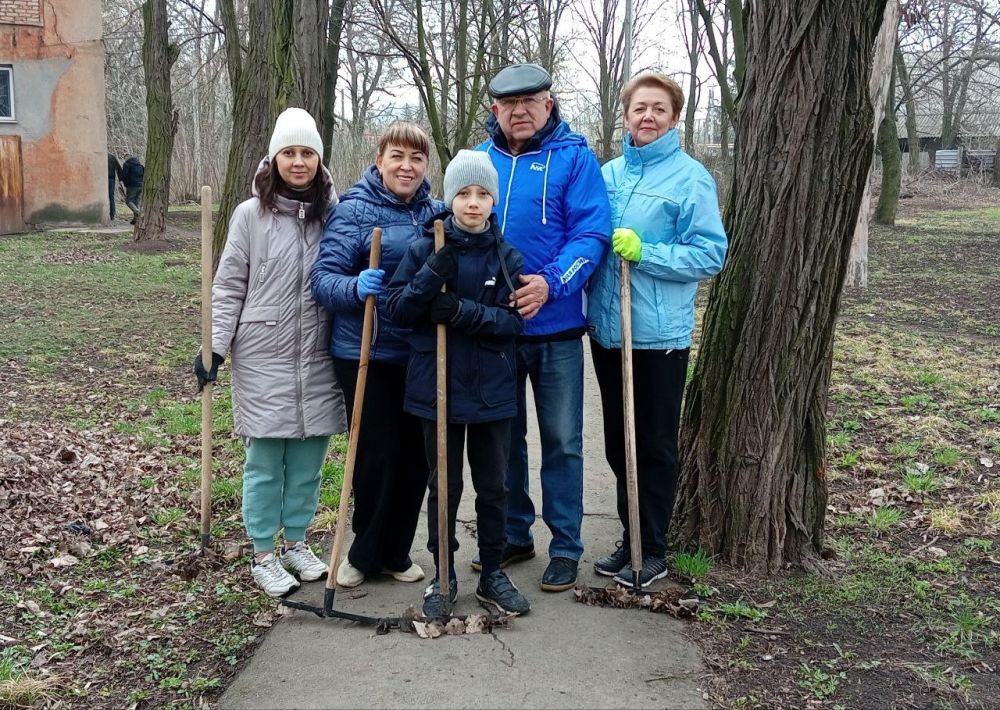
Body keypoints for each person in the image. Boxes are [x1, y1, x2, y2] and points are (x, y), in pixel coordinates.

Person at [194, 107, 347, 598]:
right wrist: (213, 347)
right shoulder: (249, 216)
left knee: (308, 459)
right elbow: (228, 284)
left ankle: (297, 542)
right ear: (274, 158)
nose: (298, 162)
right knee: (265, 460)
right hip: (263, 354)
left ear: (319, 161)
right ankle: (263, 552)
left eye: (307, 153)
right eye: (289, 153)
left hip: (319, 354)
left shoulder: (334, 215)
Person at [474, 63, 611, 592]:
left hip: (555, 331)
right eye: (510, 103)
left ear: (548, 105)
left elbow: (592, 234)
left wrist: (550, 284)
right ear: (495, 110)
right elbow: (457, 224)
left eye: (532, 101)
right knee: (504, 439)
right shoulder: (478, 162)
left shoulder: (575, 158)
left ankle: (566, 546)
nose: (521, 110)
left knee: (562, 441)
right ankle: (513, 532)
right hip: (495, 331)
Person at [587, 71, 727, 587]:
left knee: (653, 445)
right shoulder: (608, 175)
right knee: (618, 445)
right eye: (640, 107)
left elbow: (710, 253)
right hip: (608, 331)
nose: (648, 116)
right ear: (625, 115)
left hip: (658, 338)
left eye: (659, 109)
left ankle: (655, 549)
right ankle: (631, 539)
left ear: (674, 117)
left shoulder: (691, 178)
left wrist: (647, 252)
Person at [388, 150, 530, 617]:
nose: (473, 203)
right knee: (443, 486)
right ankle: (443, 577)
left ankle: (491, 572)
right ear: (450, 198)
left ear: (494, 200)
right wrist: (432, 275)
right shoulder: (426, 247)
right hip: (438, 390)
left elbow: (514, 323)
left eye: (483, 194)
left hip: (492, 390)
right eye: (464, 194)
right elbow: (399, 312)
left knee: (493, 486)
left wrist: (464, 313)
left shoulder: (506, 255)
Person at [310, 122, 440, 589]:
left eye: (416, 158)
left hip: (419, 353)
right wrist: (354, 287)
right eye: (398, 156)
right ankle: (363, 552)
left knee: (415, 458)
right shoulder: (354, 209)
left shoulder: (435, 213)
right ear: (380, 159)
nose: (407, 166)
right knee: (375, 454)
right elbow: (323, 279)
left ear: (427, 165)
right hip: (366, 352)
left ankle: (396, 553)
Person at [121, 153, 144, 224]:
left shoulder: (127, 164)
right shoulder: (140, 165)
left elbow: (125, 176)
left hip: (132, 185)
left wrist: (126, 184)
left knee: (128, 201)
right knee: (136, 202)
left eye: (124, 158)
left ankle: (139, 213)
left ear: (126, 158)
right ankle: (136, 220)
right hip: (141, 185)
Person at [108, 153, 123, 220]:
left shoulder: (100, 156)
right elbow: (118, 169)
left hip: (102, 179)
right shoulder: (112, 157)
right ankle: (112, 215)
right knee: (111, 196)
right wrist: (121, 179)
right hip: (111, 179)